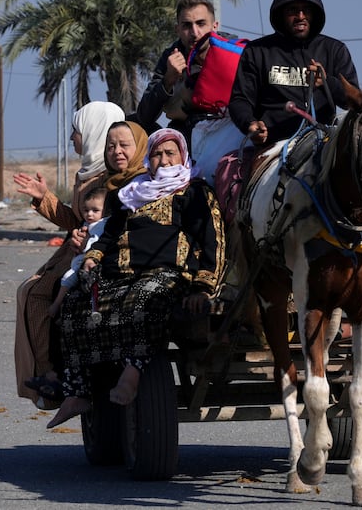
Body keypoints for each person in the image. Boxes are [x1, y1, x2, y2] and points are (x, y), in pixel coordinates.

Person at [46, 128, 226, 429]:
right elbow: (110, 234)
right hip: (119, 274)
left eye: (171, 153)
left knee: (145, 300)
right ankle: (78, 392)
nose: (164, 160)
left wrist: (203, 286)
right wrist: (93, 257)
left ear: (183, 156)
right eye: (157, 154)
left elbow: (214, 241)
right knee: (75, 304)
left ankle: (132, 373)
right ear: (148, 159)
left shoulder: (193, 192)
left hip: (167, 273)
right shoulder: (131, 193)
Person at [12, 103, 141, 409]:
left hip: (93, 255)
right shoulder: (91, 171)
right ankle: (49, 374)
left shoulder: (111, 175)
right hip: (78, 250)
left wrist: (84, 239)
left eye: (77, 130)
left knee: (36, 293)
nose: (72, 137)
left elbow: (98, 225)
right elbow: (78, 219)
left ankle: (50, 375)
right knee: (31, 291)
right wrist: (45, 198)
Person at [228, 0, 359, 146]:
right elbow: (240, 100)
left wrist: (327, 83)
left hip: (324, 145)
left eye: (306, 10)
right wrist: (250, 124)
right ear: (281, 14)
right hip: (272, 146)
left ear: (314, 14)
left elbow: (355, 102)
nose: (300, 16)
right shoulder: (257, 51)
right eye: (293, 10)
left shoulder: (334, 50)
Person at [134, 0, 219, 138]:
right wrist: (168, 79)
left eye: (201, 24)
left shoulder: (235, 52)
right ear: (177, 29)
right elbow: (144, 116)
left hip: (227, 128)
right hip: (186, 134)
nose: (194, 32)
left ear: (214, 26)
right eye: (186, 25)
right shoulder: (170, 57)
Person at [48, 187, 108, 319]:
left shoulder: (102, 224)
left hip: (89, 261)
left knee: (67, 278)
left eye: (95, 210)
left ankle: (56, 305)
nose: (90, 214)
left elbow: (95, 244)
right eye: (86, 210)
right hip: (80, 260)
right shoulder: (88, 223)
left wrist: (84, 247)